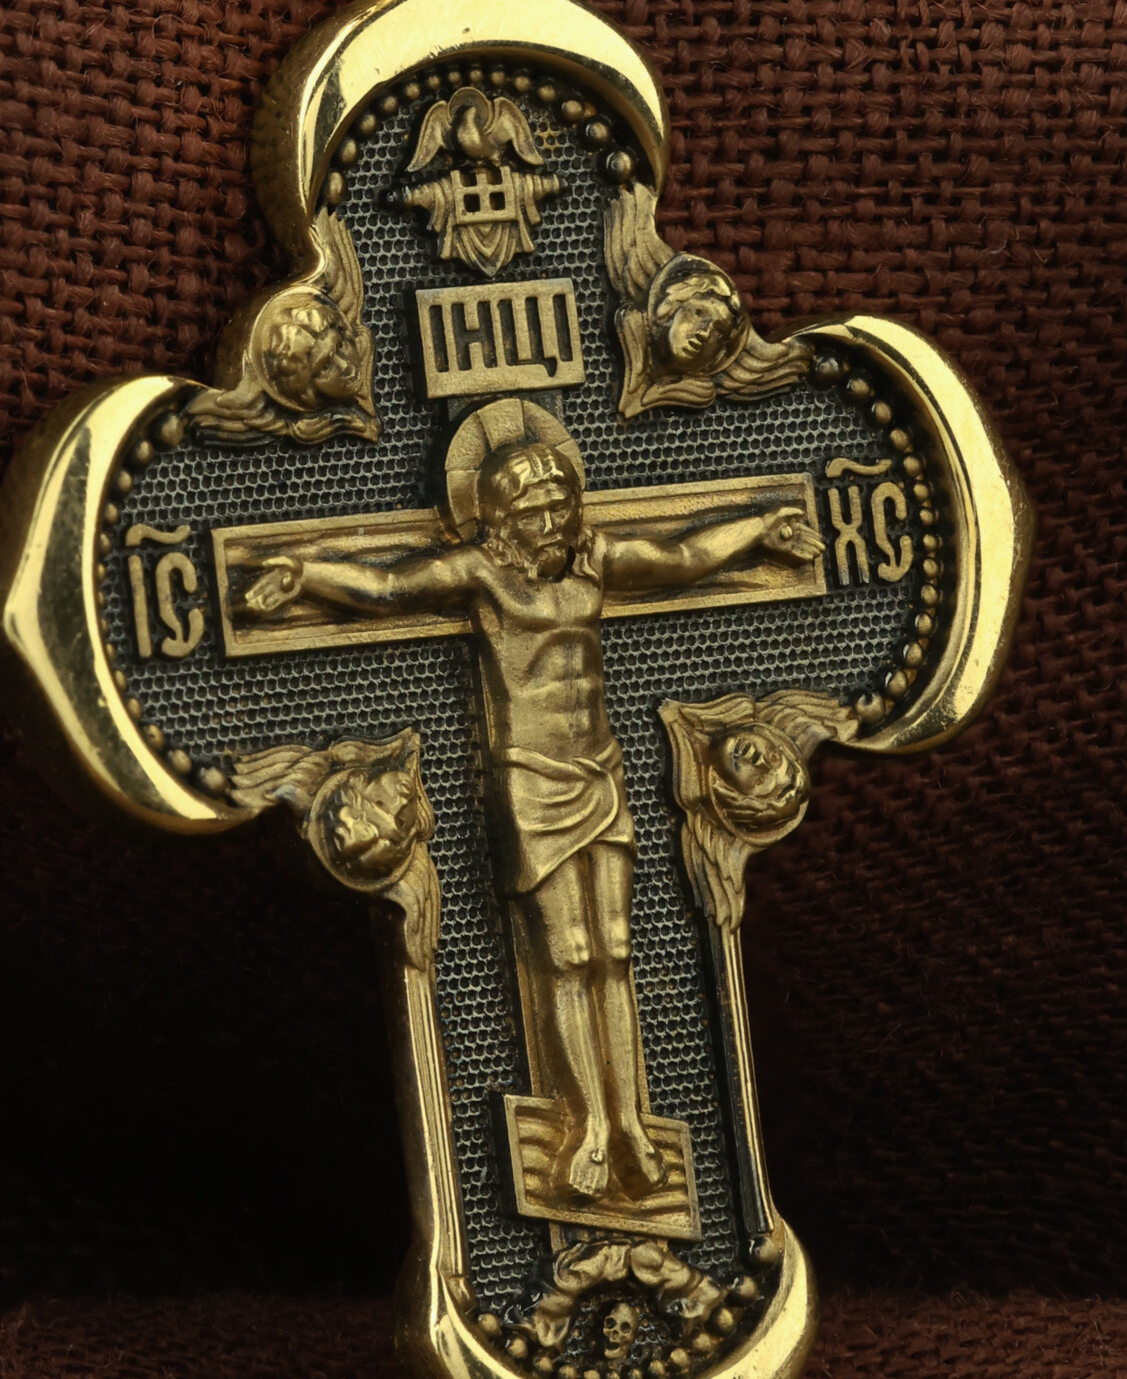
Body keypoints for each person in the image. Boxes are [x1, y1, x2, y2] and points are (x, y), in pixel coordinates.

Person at [242, 401, 822, 1207]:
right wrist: (305, 575)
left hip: (599, 772)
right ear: (498, 519)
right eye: (533, 511)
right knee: (566, 956)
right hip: (531, 782)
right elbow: (388, 586)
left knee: (615, 949)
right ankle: (589, 1126)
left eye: (561, 505)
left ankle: (630, 1124)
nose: (552, 522)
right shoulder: (482, 574)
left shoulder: (593, 560)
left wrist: (759, 529)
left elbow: (684, 555)